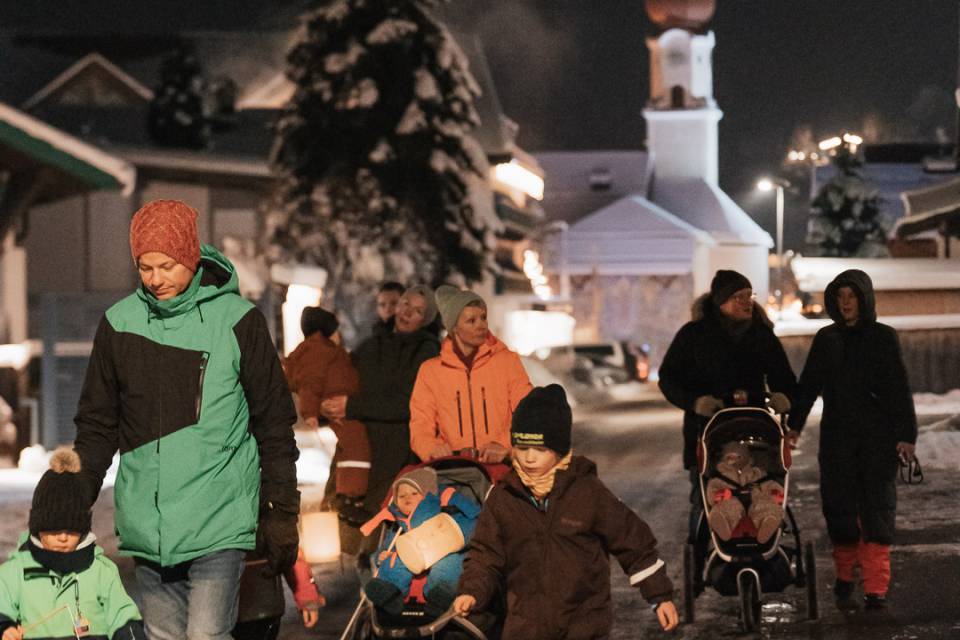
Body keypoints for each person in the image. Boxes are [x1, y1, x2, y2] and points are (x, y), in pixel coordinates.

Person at [73, 199, 300, 640]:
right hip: (148, 523)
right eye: (144, 267)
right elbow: (98, 424)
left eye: (167, 265)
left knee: (206, 636)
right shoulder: (119, 325)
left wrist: (280, 512)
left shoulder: (238, 322)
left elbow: (273, 425)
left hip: (218, 518)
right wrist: (72, 495)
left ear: (191, 258)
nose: (155, 279)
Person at [453, 385, 679, 636]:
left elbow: (633, 541)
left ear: (559, 450)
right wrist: (471, 592)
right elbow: (485, 555)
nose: (529, 458)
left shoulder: (587, 491)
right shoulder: (503, 497)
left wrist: (660, 595)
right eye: (522, 448)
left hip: (583, 622)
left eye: (540, 450)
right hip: (525, 624)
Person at [787, 269, 917, 610]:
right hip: (837, 438)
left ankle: (875, 586)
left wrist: (906, 435)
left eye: (852, 296)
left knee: (875, 510)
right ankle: (846, 575)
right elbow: (809, 387)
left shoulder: (883, 337)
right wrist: (794, 427)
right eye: (840, 296)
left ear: (864, 299)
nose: (846, 303)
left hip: (878, 437)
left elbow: (898, 389)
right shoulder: (826, 339)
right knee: (841, 509)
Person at [658, 269, 795, 540]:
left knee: (761, 488)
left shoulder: (761, 335)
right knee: (706, 498)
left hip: (755, 432)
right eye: (738, 297)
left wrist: (784, 396)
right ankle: (703, 549)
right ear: (720, 301)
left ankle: (762, 536)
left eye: (749, 295)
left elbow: (783, 376)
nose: (747, 302)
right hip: (706, 431)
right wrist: (694, 402)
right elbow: (669, 378)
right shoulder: (694, 335)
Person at [0, 448, 145, 640]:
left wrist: (129, 632)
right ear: (38, 528)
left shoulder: (100, 570)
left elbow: (122, 613)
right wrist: (5, 627)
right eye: (53, 530)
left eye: (71, 531)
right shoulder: (14, 572)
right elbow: (2, 606)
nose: (62, 537)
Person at [339, 285, 441, 553]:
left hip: (398, 453)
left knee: (384, 532)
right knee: (354, 533)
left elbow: (408, 404)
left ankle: (382, 588)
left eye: (418, 311)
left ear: (427, 319)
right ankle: (366, 584)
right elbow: (349, 382)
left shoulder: (428, 353)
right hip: (364, 449)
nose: (407, 313)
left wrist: (352, 406)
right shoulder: (371, 345)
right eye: (405, 304)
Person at [409, 285, 532, 463]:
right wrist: (432, 448)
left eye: (483, 318)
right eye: (471, 321)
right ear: (454, 328)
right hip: (453, 466)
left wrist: (504, 446)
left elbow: (527, 413)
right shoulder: (431, 371)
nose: (481, 325)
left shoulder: (507, 361)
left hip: (502, 465)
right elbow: (420, 424)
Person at [360, 467, 480, 616]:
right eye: (401, 495)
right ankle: (390, 592)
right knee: (395, 558)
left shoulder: (442, 515)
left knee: (451, 562)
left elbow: (472, 522)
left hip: (441, 548)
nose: (407, 498)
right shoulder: (399, 526)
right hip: (411, 553)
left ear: (426, 496)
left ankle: (439, 595)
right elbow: (388, 545)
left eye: (414, 493)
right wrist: (382, 555)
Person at [285, 306, 370, 513]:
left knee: (350, 445)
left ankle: (348, 492)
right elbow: (310, 382)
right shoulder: (318, 351)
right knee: (355, 443)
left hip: (342, 403)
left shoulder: (324, 351)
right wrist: (310, 412)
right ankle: (350, 495)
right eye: (335, 330)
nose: (339, 335)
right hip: (337, 406)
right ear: (326, 331)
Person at [232, 547, 324, 640]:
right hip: (262, 602)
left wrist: (307, 598)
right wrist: (307, 598)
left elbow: (287, 549)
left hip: (258, 603)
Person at [705, 442, 784, 543]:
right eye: (729, 457)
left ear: (747, 458)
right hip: (731, 501)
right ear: (723, 459)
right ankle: (722, 523)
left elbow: (770, 484)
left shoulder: (756, 473)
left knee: (766, 505)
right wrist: (722, 494)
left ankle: (767, 523)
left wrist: (775, 494)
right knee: (726, 507)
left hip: (756, 499)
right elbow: (712, 494)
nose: (733, 460)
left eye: (738, 457)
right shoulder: (720, 477)